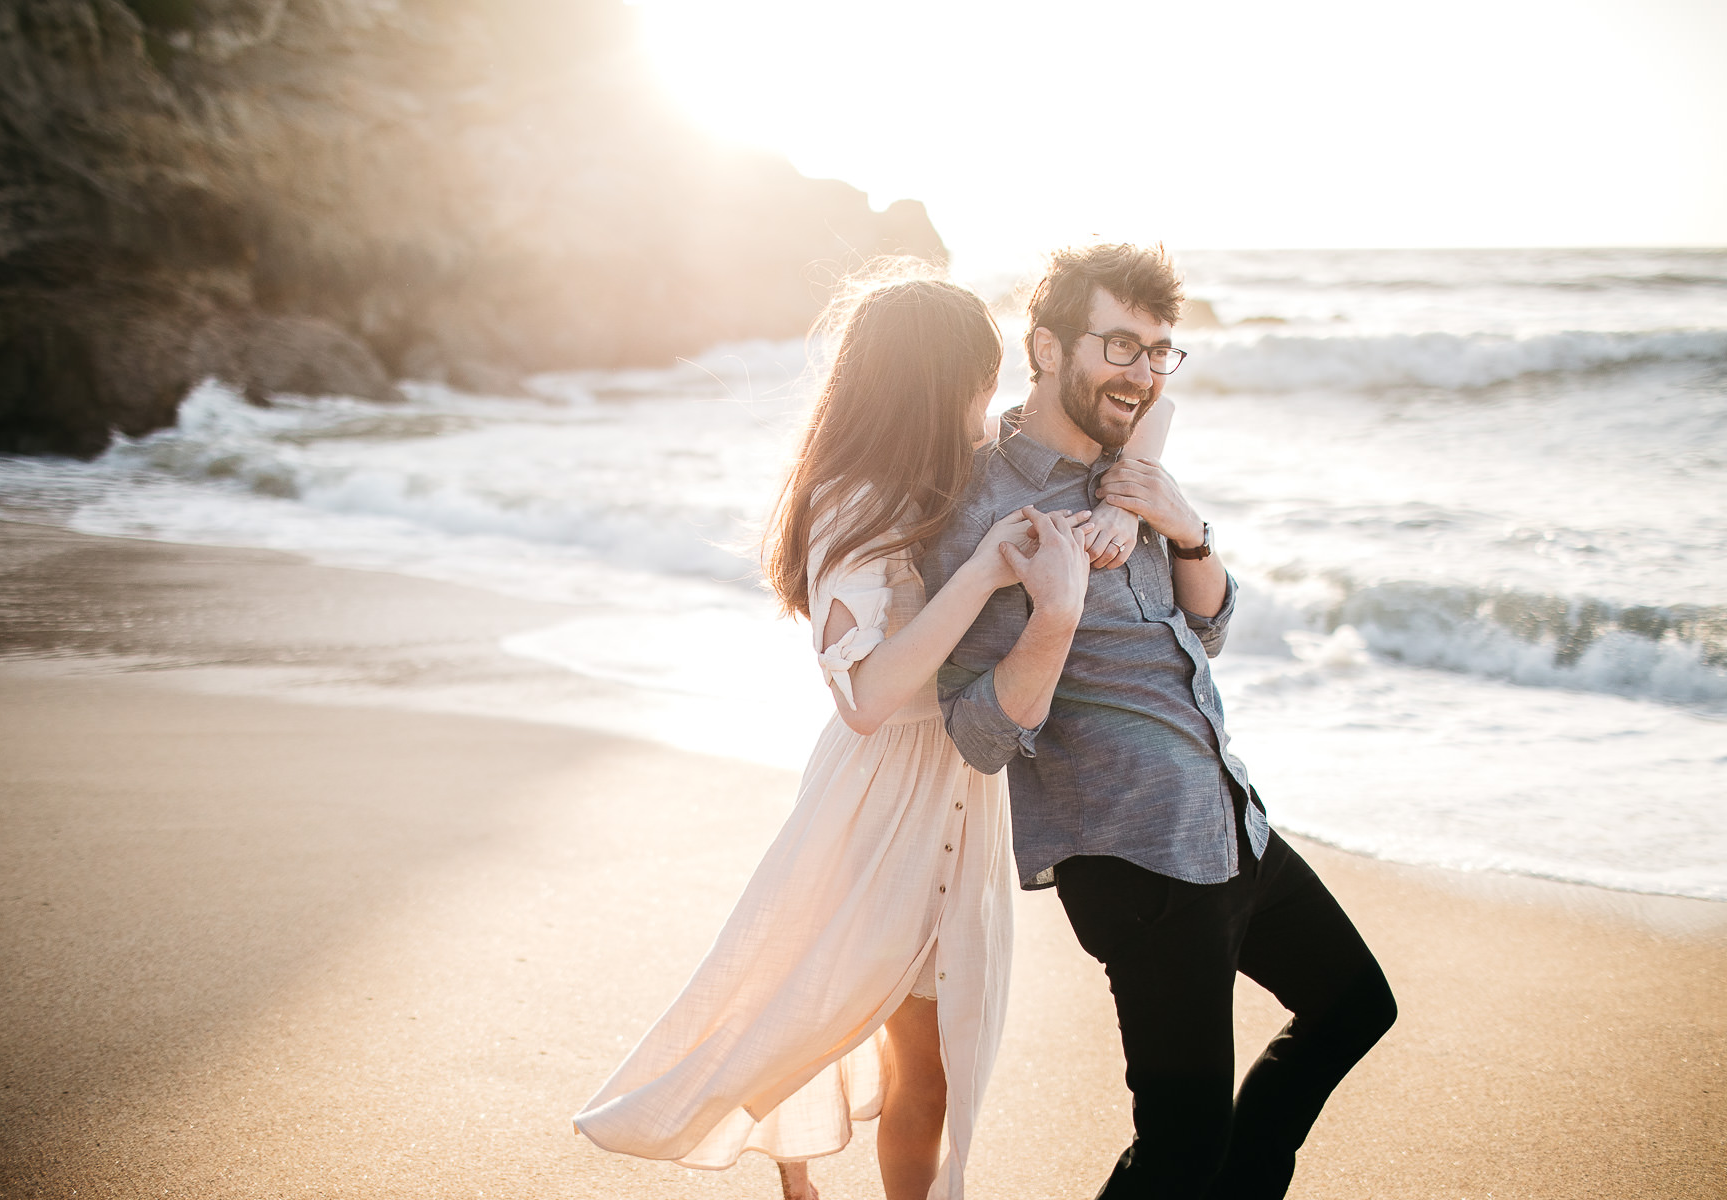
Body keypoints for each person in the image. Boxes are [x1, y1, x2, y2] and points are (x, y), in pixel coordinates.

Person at [573, 274, 1093, 1200]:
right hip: (885, 787)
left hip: (962, 787)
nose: (992, 400)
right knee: (839, 1002)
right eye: (981, 380)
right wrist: (978, 575)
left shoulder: (954, 482)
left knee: (929, 1051)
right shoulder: (854, 503)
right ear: (933, 385)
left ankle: (821, 1184)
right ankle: (802, 1177)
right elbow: (870, 696)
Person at [922, 243, 1398, 1199]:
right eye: (1118, 344)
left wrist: (1187, 528)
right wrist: (1052, 615)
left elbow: (1210, 626)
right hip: (1133, 855)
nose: (1141, 373)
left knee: (1353, 1009)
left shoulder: (1135, 471)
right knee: (1180, 1148)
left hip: (1229, 821)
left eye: (1159, 350)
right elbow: (975, 732)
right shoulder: (982, 506)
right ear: (1046, 347)